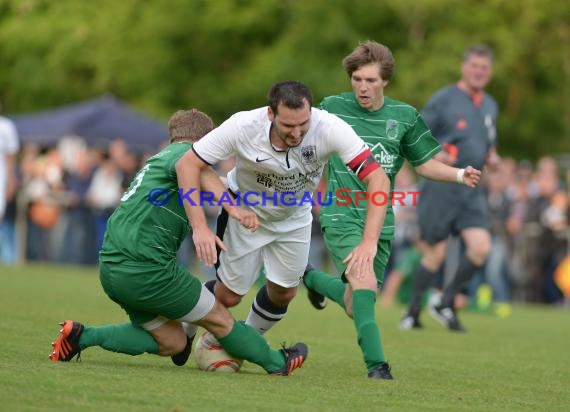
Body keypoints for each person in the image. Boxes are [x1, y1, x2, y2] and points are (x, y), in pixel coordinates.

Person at [49, 109, 308, 376]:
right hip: (148, 270)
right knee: (219, 318)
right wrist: (235, 210)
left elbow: (213, 181)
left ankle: (80, 336)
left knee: (172, 342)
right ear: (206, 140)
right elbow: (203, 172)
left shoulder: (159, 161)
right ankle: (277, 362)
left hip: (113, 268)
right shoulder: (185, 155)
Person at [301, 41, 481, 379]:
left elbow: (425, 164)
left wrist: (459, 174)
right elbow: (299, 141)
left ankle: (311, 278)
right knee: (365, 284)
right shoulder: (331, 109)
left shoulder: (404, 117)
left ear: (385, 80)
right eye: (356, 79)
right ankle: (377, 366)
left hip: (380, 220)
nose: (362, 87)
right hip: (340, 215)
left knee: (358, 303)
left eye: (370, 80)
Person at [175, 81, 391, 348]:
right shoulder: (242, 126)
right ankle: (187, 328)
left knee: (284, 293)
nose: (297, 132)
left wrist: (369, 241)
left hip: (295, 215)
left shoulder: (330, 128)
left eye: (304, 123)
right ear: (270, 114)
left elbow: (378, 179)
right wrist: (199, 228)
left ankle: (243, 341)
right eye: (288, 125)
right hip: (244, 212)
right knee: (229, 297)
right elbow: (187, 164)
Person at [401, 44, 499, 331]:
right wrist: (435, 153)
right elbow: (416, 132)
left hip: (472, 188)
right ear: (464, 67)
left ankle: (445, 302)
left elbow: (489, 142)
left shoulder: (490, 104)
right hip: (443, 183)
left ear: (489, 72)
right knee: (436, 253)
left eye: (484, 68)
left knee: (481, 248)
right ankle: (412, 311)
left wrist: (493, 157)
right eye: (474, 66)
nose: (479, 72)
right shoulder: (444, 99)